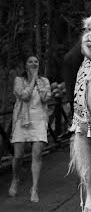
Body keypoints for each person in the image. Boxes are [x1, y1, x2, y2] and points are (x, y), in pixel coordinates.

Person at [8, 56, 51, 202]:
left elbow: (46, 98)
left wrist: (38, 81)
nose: (34, 63)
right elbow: (24, 96)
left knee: (37, 154)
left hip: (39, 120)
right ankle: (16, 179)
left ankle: (34, 188)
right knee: (18, 155)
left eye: (36, 62)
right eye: (30, 62)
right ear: (26, 65)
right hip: (22, 120)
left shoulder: (44, 81)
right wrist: (33, 78)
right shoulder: (19, 81)